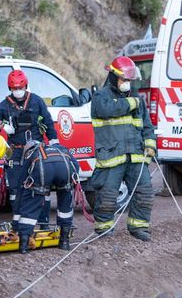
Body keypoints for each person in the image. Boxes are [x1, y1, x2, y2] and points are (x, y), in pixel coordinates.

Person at [90, 56, 156, 241]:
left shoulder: (136, 98)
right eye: (124, 79)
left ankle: (138, 227)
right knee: (108, 195)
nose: (127, 84)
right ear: (113, 76)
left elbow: (147, 126)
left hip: (136, 156)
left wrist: (150, 145)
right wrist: (131, 103)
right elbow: (108, 110)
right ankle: (104, 229)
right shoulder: (101, 97)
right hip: (112, 155)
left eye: (129, 80)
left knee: (144, 193)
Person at [0, 69, 58, 235]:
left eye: (20, 88)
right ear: (10, 88)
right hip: (16, 153)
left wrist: (54, 142)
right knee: (16, 190)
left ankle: (43, 223)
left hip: (36, 151)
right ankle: (18, 225)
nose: (17, 91)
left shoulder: (36, 102)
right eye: (14, 89)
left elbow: (48, 122)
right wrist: (1, 126)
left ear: (26, 86)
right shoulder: (4, 105)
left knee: (41, 187)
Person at [15, 140, 78, 253]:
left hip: (43, 171)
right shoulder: (61, 149)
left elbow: (21, 185)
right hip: (65, 170)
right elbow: (75, 166)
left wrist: (15, 223)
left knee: (31, 205)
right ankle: (64, 242)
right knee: (65, 208)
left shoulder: (33, 154)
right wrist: (70, 183)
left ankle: (23, 246)